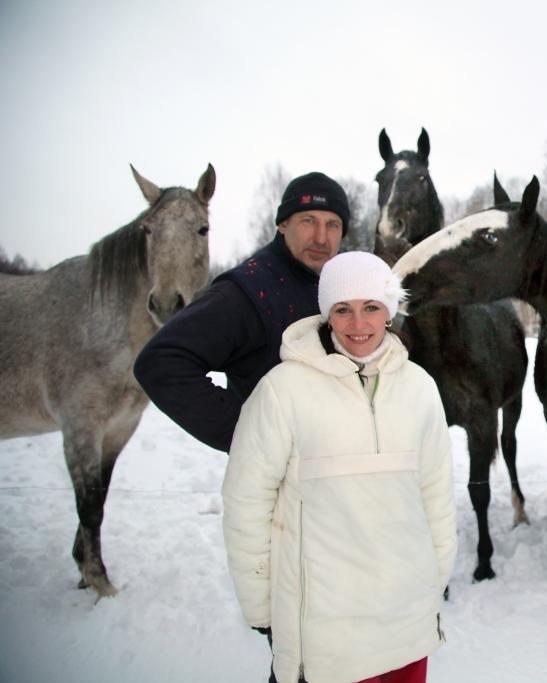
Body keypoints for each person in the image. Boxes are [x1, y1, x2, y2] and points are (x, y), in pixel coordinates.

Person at [221, 251, 456, 683]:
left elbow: (436, 494)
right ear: (327, 315)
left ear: (388, 312)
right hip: (326, 632)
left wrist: (434, 577)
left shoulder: (420, 388)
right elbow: (246, 504)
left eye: (370, 307)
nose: (358, 323)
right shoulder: (282, 391)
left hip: (406, 620)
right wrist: (260, 605)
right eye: (342, 310)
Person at [133, 171, 350, 453]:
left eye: (332, 224)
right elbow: (161, 363)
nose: (321, 237)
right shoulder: (249, 290)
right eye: (308, 221)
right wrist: (250, 434)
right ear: (283, 224)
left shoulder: (330, 284)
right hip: (277, 482)